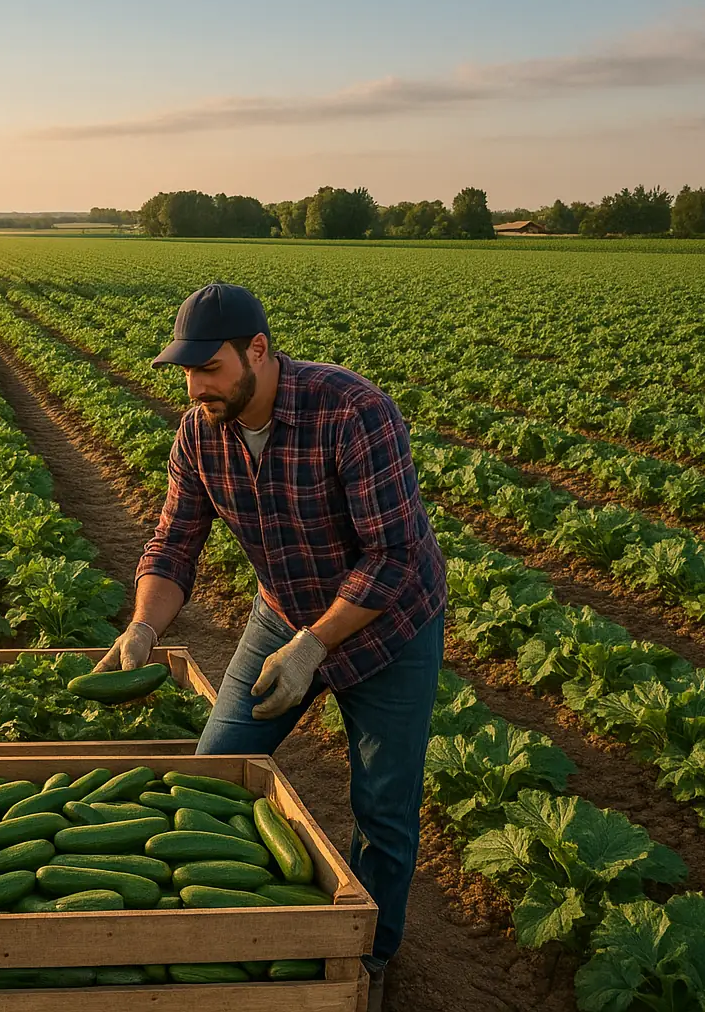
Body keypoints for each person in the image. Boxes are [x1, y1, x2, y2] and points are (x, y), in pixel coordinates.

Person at [93, 283, 444, 1012]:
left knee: (383, 806)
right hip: (282, 610)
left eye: (209, 369)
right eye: (186, 373)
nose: (196, 388)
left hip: (389, 628)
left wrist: (315, 646)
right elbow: (174, 543)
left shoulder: (351, 410)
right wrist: (145, 627)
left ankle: (366, 960)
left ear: (258, 350)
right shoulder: (198, 432)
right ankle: (220, 927)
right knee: (215, 770)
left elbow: (394, 555)